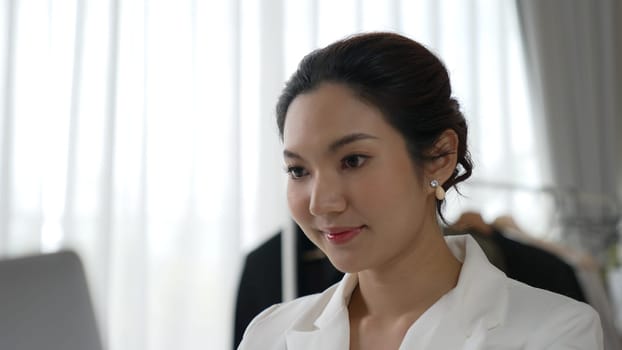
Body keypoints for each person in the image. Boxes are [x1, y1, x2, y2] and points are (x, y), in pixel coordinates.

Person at [237, 32, 603, 349]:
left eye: (353, 160)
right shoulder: (270, 334)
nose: (321, 202)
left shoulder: (552, 332)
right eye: (298, 170)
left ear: (440, 157)